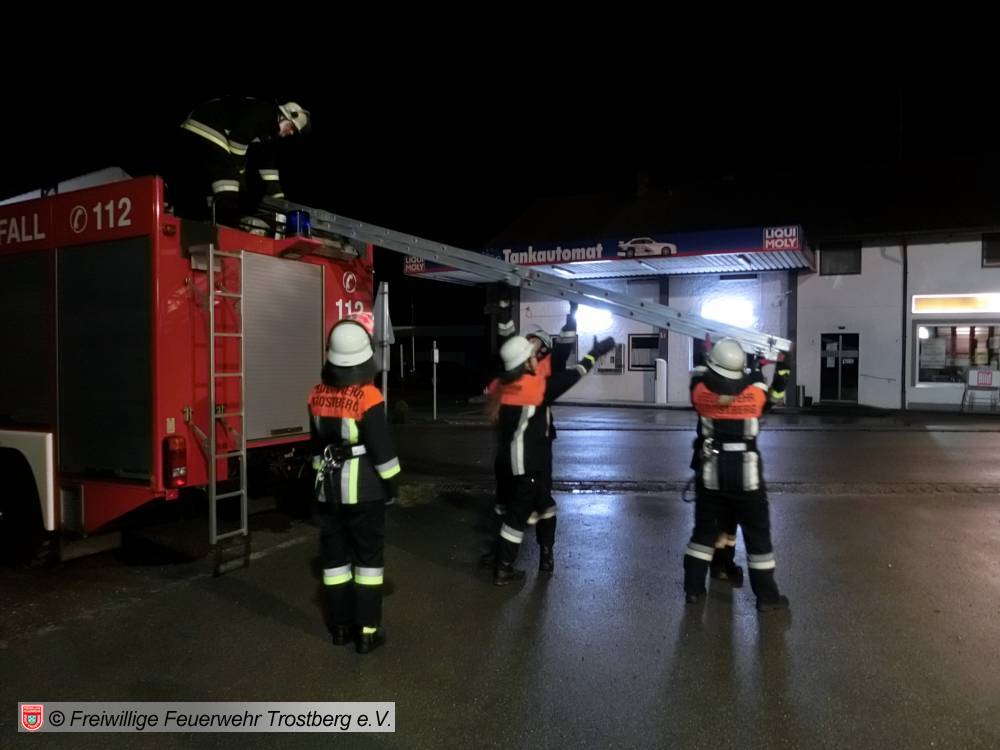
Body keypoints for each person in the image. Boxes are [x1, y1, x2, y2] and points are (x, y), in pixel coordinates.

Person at [488, 332, 615, 585]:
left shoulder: (504, 386)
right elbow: (573, 375)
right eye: (531, 356)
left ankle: (505, 561)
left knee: (520, 511)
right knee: (521, 516)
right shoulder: (533, 388)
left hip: (511, 461)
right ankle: (504, 568)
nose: (536, 358)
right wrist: (595, 353)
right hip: (529, 463)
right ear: (526, 362)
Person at [308, 319, 400, 653]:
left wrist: (318, 487)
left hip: (328, 490)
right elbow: (382, 451)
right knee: (368, 562)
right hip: (365, 491)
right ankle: (367, 632)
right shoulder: (369, 396)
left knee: (334, 563)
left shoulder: (316, 394)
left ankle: (340, 628)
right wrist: (393, 486)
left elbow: (315, 446)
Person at [683, 337, 791, 611]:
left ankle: (693, 590)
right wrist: (776, 365)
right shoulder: (755, 394)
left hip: (711, 473)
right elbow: (774, 393)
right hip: (747, 478)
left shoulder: (700, 393)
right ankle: (768, 598)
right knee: (758, 538)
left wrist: (704, 350)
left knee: (703, 534)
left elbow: (699, 374)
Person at [173, 96, 309, 227]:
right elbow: (237, 141)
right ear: (284, 116)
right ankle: (228, 222)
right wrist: (239, 176)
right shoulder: (265, 113)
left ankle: (202, 215)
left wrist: (279, 202)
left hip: (200, 127)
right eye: (292, 127)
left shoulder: (267, 132)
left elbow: (267, 166)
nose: (291, 133)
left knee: (218, 178)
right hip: (206, 123)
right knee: (229, 180)